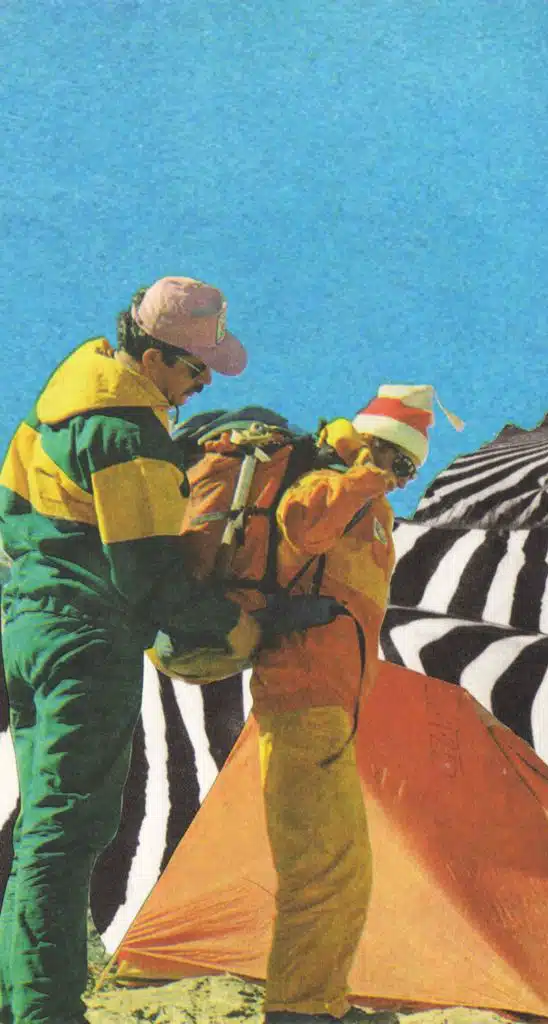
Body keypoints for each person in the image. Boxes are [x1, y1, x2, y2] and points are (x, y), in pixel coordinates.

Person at [0, 277, 262, 1024]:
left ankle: (17, 1000)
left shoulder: (65, 395)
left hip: (29, 624)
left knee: (42, 828)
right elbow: (149, 580)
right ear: (152, 357)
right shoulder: (127, 434)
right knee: (68, 832)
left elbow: (14, 514)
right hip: (88, 638)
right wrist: (238, 625)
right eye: (195, 367)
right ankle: (47, 1012)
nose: (203, 383)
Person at [250, 384, 442, 1024]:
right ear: (377, 446)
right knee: (324, 865)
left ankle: (318, 1002)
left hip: (329, 707)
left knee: (345, 866)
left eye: (409, 470)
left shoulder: (367, 502)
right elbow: (304, 526)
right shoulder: (331, 482)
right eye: (401, 463)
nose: (402, 480)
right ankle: (300, 1010)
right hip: (301, 698)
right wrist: (364, 473)